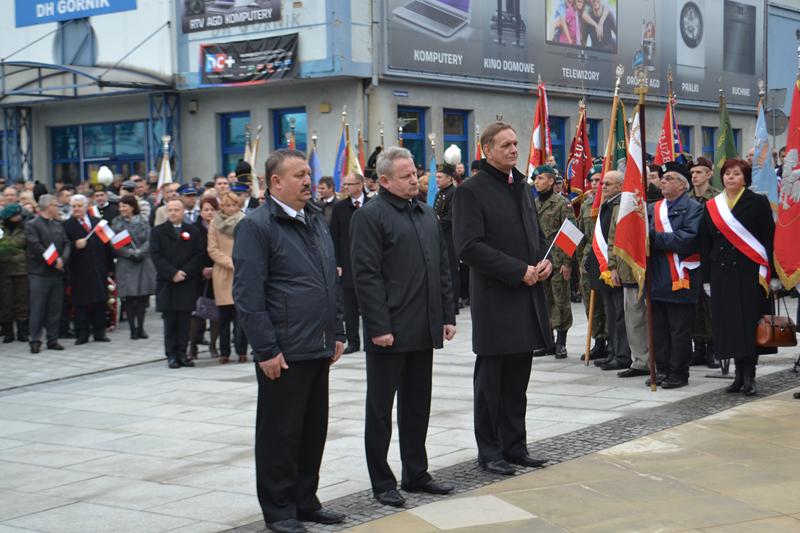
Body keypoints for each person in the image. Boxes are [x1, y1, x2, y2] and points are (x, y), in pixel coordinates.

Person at [233, 148, 346, 533]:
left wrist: (338, 330)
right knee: (280, 434)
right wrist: (265, 349)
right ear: (274, 182)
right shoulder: (257, 225)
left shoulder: (315, 219)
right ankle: (279, 510)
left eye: (307, 174)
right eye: (298, 175)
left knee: (312, 430)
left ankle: (304, 500)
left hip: (317, 344)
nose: (307, 181)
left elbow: (330, 280)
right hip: (283, 350)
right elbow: (248, 294)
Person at [351, 146, 456, 508]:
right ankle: (382, 482)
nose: (415, 179)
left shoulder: (426, 213)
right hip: (389, 333)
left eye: (415, 173)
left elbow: (441, 266)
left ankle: (416, 473)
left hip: (422, 328)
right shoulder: (370, 216)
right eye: (406, 175)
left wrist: (446, 315)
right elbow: (366, 275)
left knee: (416, 405)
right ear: (383, 180)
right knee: (380, 411)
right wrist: (378, 326)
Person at [453, 122, 552, 476]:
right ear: (486, 150)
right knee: (491, 384)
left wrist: (545, 261)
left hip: (526, 298)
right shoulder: (471, 191)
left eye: (515, 143)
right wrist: (516, 270)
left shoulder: (523, 188)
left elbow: (536, 234)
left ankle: (516, 446)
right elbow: (469, 247)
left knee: (517, 383)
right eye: (506, 145)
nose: (514, 149)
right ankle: (490, 451)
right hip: (496, 300)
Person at [700, 159, 776, 397]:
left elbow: (769, 239)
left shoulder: (758, 202)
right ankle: (737, 376)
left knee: (748, 325)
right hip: (721, 273)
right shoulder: (713, 206)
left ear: (745, 178)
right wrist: (706, 278)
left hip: (750, 274)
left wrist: (773, 275)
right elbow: (705, 242)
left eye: (736, 174)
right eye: (727, 174)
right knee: (728, 325)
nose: (731, 178)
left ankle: (750, 375)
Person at [647, 162, 703, 388]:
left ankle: (679, 373)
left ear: (682, 184)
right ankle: (663, 369)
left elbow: (687, 239)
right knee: (659, 329)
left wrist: (654, 238)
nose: (663, 181)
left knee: (679, 330)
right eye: (663, 178)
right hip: (656, 276)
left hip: (681, 277)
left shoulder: (693, 208)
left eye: (669, 178)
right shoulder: (653, 208)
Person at [586, 171, 633, 372]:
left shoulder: (620, 206)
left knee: (620, 315)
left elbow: (617, 238)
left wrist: (613, 266)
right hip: (604, 268)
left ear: (621, 185)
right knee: (611, 314)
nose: (602, 186)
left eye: (607, 183)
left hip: (616, 267)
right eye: (601, 183)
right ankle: (613, 351)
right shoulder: (606, 204)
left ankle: (622, 355)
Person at [150, 199, 206, 369]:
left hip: (186, 282)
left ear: (183, 212)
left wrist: (185, 272)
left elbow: (199, 255)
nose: (173, 213)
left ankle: (183, 353)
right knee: (170, 321)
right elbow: (156, 256)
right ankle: (171, 355)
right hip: (168, 283)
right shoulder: (158, 231)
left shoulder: (192, 231)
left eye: (176, 210)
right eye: (170, 210)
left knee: (184, 321)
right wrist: (172, 273)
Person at [532, 165, 576, 358]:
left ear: (551, 181)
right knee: (544, 301)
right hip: (540, 262)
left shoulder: (561, 204)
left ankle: (561, 342)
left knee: (561, 301)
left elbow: (570, 234)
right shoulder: (533, 204)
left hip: (557, 261)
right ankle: (546, 341)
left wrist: (567, 263)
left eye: (541, 178)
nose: (537, 182)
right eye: (536, 179)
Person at [63, 194, 114, 345]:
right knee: (81, 303)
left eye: (79, 206)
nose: (76, 209)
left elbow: (107, 246)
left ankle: (100, 332)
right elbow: (64, 246)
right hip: (79, 270)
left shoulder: (98, 223)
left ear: (86, 207)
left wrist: (110, 267)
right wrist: (74, 246)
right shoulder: (67, 225)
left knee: (100, 301)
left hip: (98, 268)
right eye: (74, 206)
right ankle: (82, 334)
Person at [24, 194, 70, 353]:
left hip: (56, 274)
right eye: (56, 205)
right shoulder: (32, 225)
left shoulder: (58, 224)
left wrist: (62, 259)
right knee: (38, 308)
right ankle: (35, 340)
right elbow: (35, 246)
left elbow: (66, 243)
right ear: (49, 206)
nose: (58, 208)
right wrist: (53, 260)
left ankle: (53, 339)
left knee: (54, 308)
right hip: (39, 273)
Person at [688, 157, 721, 369]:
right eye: (692, 173)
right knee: (694, 303)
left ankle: (714, 349)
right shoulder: (687, 198)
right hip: (691, 259)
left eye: (699, 172)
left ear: (709, 174)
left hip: (711, 258)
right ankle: (698, 346)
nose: (694, 176)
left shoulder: (717, 198)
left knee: (711, 305)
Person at [330, 173, 368, 354]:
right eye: (345, 184)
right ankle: (353, 342)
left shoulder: (373, 204)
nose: (346, 187)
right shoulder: (340, 208)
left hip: (370, 264)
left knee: (370, 304)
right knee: (350, 308)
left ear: (360, 185)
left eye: (349, 184)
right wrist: (336, 262)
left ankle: (371, 339)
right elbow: (334, 237)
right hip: (347, 264)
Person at [208, 191, 247, 364]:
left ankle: (242, 351)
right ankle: (224, 352)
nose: (231, 209)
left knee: (242, 319)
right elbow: (212, 249)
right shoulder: (215, 223)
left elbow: (251, 245)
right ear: (222, 207)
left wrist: (240, 261)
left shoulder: (245, 221)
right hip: (223, 274)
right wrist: (229, 262)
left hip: (243, 272)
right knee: (224, 318)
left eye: (234, 205)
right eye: (227, 205)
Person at [111, 196, 156, 340]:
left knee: (142, 297)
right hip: (126, 263)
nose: (122, 209)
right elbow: (114, 243)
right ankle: (132, 329)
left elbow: (149, 239)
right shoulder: (116, 223)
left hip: (142, 262)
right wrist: (128, 253)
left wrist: (140, 252)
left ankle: (141, 327)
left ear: (132, 206)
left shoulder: (142, 221)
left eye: (125, 206)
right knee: (129, 298)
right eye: (121, 206)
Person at [576, 166, 607, 360]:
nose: (595, 184)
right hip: (588, 259)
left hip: (605, 258)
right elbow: (579, 235)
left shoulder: (611, 203)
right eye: (593, 181)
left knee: (608, 304)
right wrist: (576, 262)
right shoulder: (587, 204)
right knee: (591, 303)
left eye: (599, 180)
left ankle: (613, 341)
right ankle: (598, 340)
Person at [188, 195, 219, 359]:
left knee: (216, 313)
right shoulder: (194, 228)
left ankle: (214, 345)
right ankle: (192, 346)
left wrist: (215, 268)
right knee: (197, 313)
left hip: (218, 273)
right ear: (200, 212)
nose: (209, 213)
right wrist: (201, 269)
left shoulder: (221, 227)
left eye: (212, 210)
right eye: (206, 210)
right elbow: (192, 253)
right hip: (198, 276)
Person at [434, 160, 459, 316]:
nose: (437, 180)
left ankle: (453, 304)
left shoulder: (454, 193)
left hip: (450, 238)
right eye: (436, 177)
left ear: (450, 178)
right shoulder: (439, 193)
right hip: (439, 237)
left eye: (440, 177)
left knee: (451, 271)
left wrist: (435, 222)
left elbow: (451, 217)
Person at [0, 204, 29, 343]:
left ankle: (23, 332)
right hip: (4, 271)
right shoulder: (1, 229)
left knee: (22, 301)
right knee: (6, 302)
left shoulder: (24, 228)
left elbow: (27, 248)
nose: (18, 217)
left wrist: (14, 253)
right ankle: (8, 332)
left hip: (21, 270)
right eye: (15, 216)